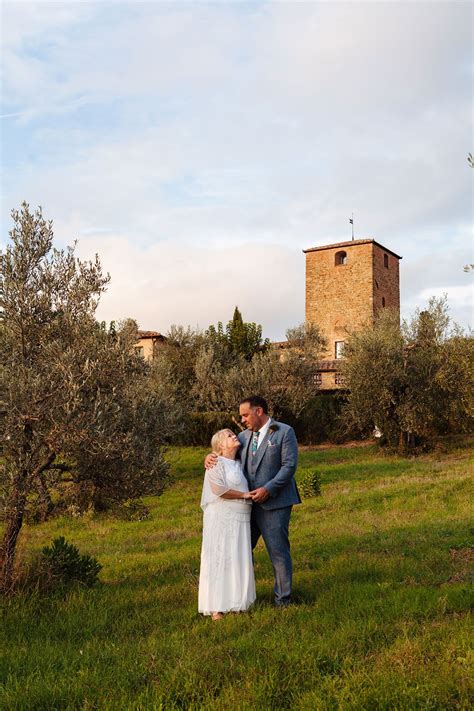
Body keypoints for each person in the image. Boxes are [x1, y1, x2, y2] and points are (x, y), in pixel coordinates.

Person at [205, 396, 300, 607]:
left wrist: (269, 489)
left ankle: (283, 601)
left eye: (245, 415)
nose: (242, 419)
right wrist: (210, 457)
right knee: (238, 550)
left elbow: (289, 466)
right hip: (246, 507)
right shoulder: (243, 436)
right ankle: (232, 598)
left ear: (259, 411)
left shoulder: (285, 432)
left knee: (278, 552)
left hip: (276, 503)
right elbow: (228, 459)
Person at [198, 428, 256, 621]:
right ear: (221, 445)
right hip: (222, 517)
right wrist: (245, 495)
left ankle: (236, 601)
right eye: (229, 436)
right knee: (220, 557)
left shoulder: (239, 463)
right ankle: (217, 607)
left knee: (237, 555)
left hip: (240, 517)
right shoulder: (216, 463)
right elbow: (219, 490)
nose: (234, 436)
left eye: (233, 434)